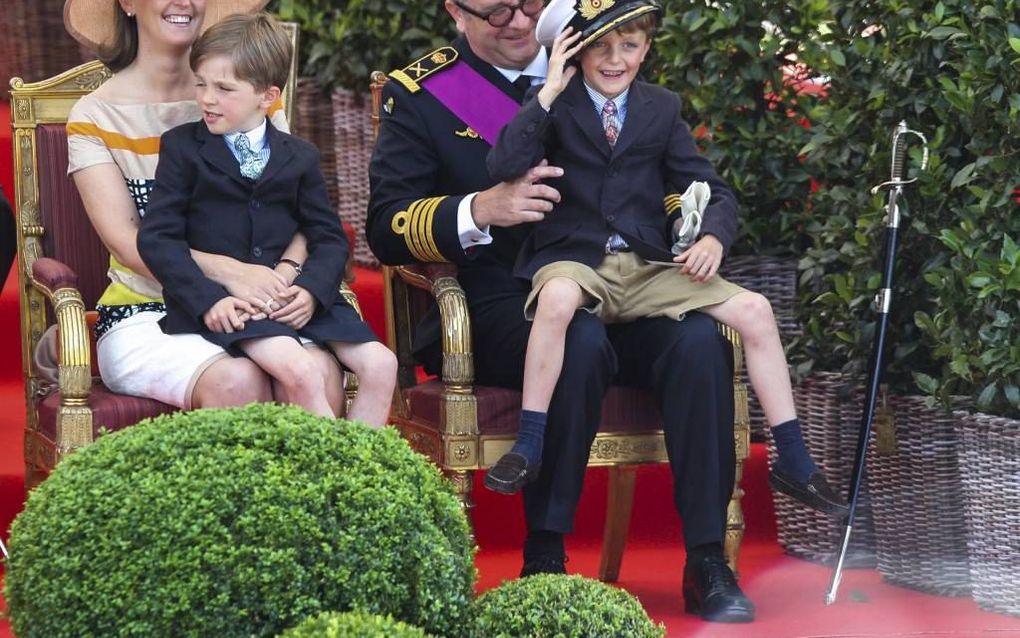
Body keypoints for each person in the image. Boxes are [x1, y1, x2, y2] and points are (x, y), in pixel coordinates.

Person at [368, 0, 753, 623]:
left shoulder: (604, 60)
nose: (518, 23)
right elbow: (386, 227)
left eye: (529, 5)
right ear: (455, 13)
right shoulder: (428, 92)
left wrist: (692, 228)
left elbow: (676, 179)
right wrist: (479, 209)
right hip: (495, 296)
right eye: (495, 11)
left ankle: (707, 559)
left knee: (701, 342)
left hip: (620, 284)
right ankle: (544, 556)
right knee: (577, 338)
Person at [483, 1, 848, 520]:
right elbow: (504, 164)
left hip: (646, 266)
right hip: (577, 259)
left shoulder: (661, 106)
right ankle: (530, 441)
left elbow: (710, 188)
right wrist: (546, 91)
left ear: (647, 49)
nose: (615, 60)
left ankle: (792, 456)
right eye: (601, 47)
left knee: (756, 312)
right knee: (558, 299)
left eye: (629, 46)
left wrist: (714, 240)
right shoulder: (552, 105)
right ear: (576, 53)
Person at [64, 0, 344, 413]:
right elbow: (129, 243)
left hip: (260, 303)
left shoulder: (254, 99)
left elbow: (300, 212)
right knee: (237, 381)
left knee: (315, 371)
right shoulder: (95, 116)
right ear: (127, 3)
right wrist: (232, 274)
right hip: (148, 310)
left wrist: (284, 276)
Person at [136, 13, 396, 426]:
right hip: (233, 306)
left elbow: (328, 237)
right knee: (303, 371)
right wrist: (210, 300)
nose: (206, 98)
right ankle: (339, 478)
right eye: (200, 83)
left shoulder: (300, 154)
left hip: (296, 299)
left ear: (267, 95)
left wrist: (310, 290)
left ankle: (364, 469)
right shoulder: (182, 148)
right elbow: (157, 239)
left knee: (383, 366)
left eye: (224, 88)